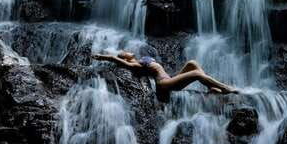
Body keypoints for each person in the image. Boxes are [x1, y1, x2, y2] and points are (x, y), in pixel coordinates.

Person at [93, 51, 238, 98]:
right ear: (125, 58)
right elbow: (115, 59)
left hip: (169, 78)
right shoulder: (134, 65)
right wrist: (103, 56)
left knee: (192, 63)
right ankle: (225, 88)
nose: (126, 51)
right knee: (196, 73)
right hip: (165, 84)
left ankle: (210, 88)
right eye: (124, 52)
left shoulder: (138, 61)